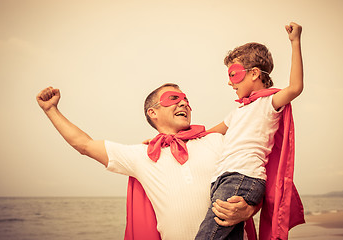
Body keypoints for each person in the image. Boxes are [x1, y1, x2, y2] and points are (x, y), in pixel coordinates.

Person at [36, 83, 257, 240]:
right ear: (153, 112)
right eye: (173, 99)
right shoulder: (140, 155)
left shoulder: (217, 141)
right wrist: (51, 110)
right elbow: (84, 144)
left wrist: (250, 209)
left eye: (186, 100)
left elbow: (255, 175)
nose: (184, 104)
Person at [195, 22, 304, 240]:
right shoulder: (237, 112)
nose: (229, 82)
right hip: (223, 179)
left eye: (234, 75)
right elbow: (207, 134)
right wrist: (168, 138)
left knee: (207, 237)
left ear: (254, 73)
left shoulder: (268, 103)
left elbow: (295, 88)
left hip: (243, 177)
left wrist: (295, 42)